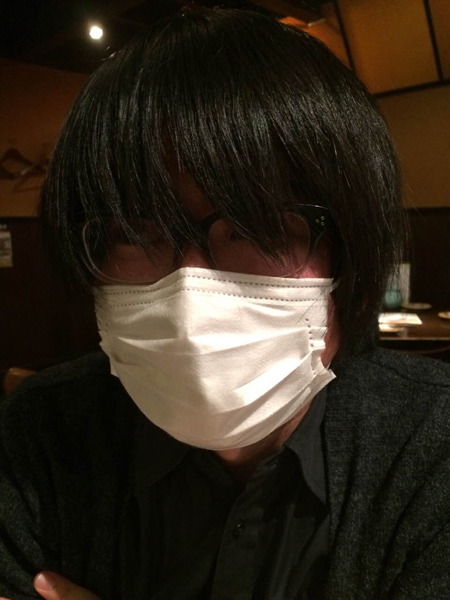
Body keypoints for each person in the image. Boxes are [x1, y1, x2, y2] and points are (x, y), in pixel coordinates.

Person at [1, 6, 450, 600]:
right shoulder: (38, 437)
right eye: (134, 234)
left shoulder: (434, 447)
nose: (189, 294)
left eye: (255, 226)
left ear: (351, 249)